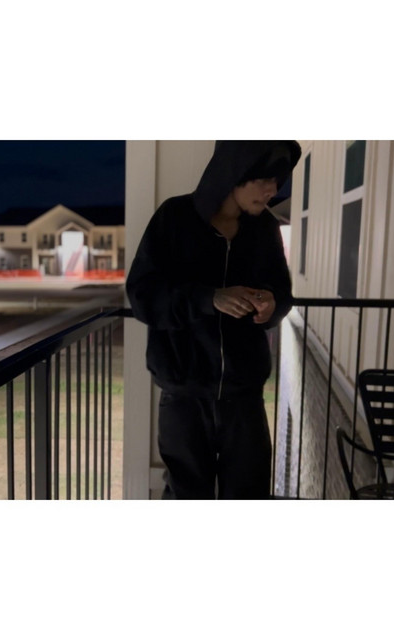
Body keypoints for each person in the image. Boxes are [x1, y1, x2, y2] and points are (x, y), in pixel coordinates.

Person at [126, 140, 302, 499]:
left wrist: (272, 304)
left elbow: (283, 294)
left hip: (244, 397)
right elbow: (143, 294)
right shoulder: (174, 218)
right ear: (234, 172)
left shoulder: (265, 229)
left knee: (249, 494)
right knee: (187, 495)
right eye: (264, 180)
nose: (273, 190)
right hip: (185, 396)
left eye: (278, 181)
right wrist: (209, 298)